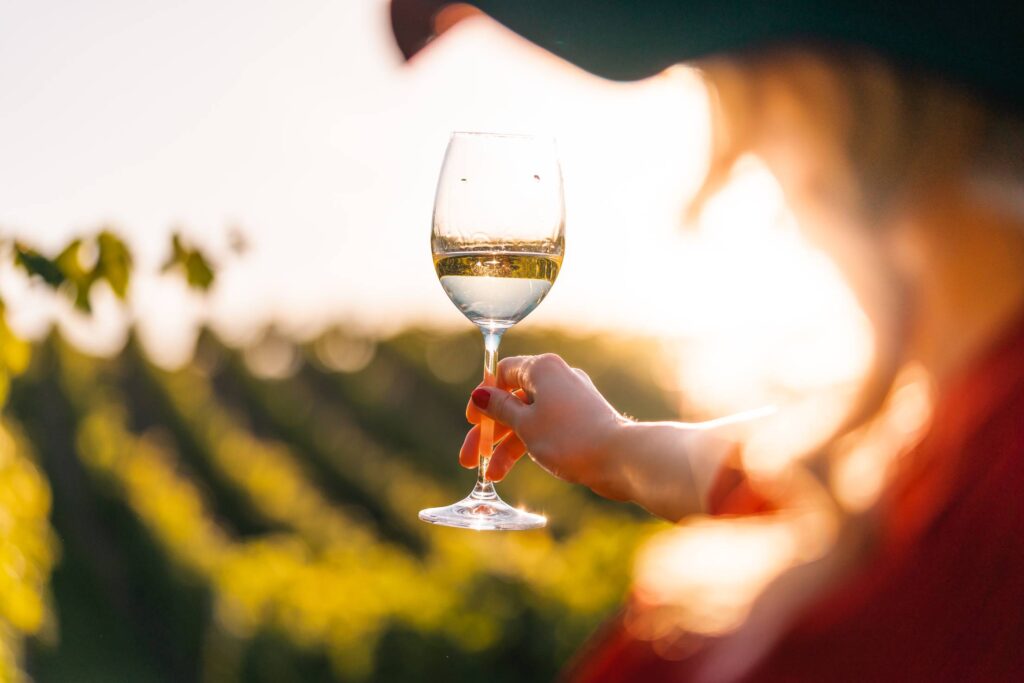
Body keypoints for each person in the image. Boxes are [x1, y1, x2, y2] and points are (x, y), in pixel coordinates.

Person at [392, 2, 1024, 680]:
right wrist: (611, 444)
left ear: (811, 99)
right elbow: (808, 475)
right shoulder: (954, 431)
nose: (744, 165)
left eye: (727, 97)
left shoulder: (961, 533)